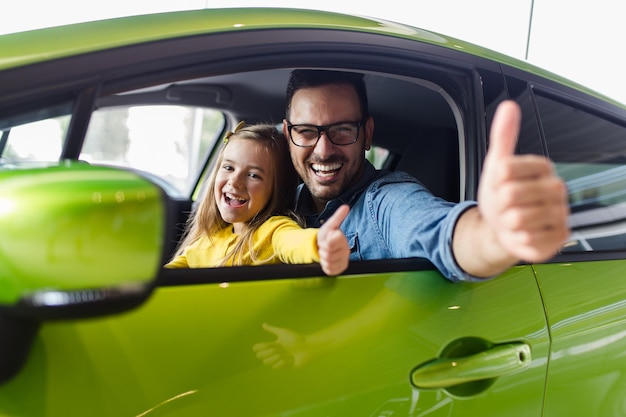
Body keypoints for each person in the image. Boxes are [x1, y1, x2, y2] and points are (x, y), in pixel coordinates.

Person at [283, 69, 570, 281]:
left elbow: (438, 231)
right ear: (287, 134)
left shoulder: (386, 203)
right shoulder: (277, 201)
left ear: (367, 134)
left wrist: (494, 235)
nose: (323, 150)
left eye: (342, 130)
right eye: (306, 132)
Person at [165, 122, 350, 276]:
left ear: (276, 190)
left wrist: (319, 244)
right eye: (228, 168)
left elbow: (293, 242)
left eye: (253, 175)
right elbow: (164, 280)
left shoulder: (272, 231)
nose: (235, 182)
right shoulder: (207, 241)